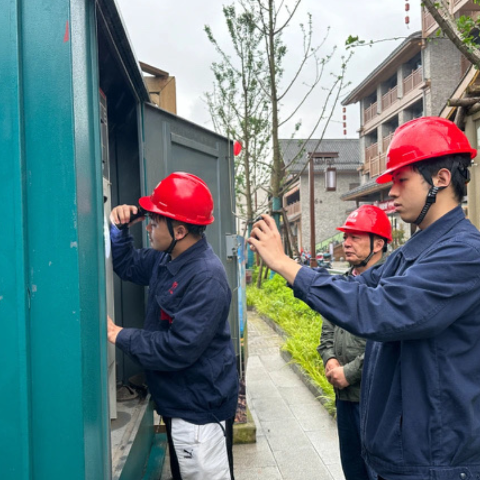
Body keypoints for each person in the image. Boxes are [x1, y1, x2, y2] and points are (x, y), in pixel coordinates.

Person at [248, 117, 480, 480]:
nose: (391, 192)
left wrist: (283, 265)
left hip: (436, 461)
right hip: (405, 452)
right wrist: (292, 267)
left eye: (401, 180)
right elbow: (356, 290)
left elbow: (379, 311)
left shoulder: (463, 255)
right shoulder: (411, 254)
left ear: (441, 179)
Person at [107, 172, 239, 480]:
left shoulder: (206, 277)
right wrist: (119, 229)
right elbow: (126, 265)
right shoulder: (165, 258)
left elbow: (178, 348)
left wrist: (120, 335)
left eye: (155, 221)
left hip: (199, 411)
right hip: (180, 401)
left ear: (179, 230)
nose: (149, 226)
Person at [318, 204, 392, 480]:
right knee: (353, 469)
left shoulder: (390, 286)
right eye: (345, 237)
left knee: (377, 471)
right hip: (345, 399)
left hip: (375, 401)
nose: (346, 244)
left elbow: (386, 343)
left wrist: (347, 374)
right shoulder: (344, 283)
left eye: (355, 237)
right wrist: (331, 361)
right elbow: (326, 334)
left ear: (378, 244)